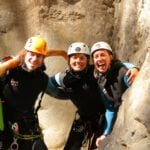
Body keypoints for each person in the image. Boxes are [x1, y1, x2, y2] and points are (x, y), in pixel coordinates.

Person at [0, 41, 138, 150]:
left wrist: (133, 67)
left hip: (103, 119)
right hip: (83, 119)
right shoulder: (63, 78)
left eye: (82, 58)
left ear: (88, 60)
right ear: (69, 61)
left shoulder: (95, 72)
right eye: (74, 58)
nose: (78, 61)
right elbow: (39, 66)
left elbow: (114, 65)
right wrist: (17, 61)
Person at [0, 36, 67, 150]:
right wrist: (14, 62)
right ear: (24, 54)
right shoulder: (10, 70)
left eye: (39, 56)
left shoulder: (41, 78)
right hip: (3, 122)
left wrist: (62, 53)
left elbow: (58, 93)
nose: (35, 59)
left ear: (43, 59)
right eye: (31, 54)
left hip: (27, 124)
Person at [90, 41, 139, 147]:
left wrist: (134, 68)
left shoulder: (123, 71)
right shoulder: (99, 79)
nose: (99, 59)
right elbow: (110, 108)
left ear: (110, 57)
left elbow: (137, 97)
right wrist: (106, 133)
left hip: (132, 119)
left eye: (103, 55)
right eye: (96, 56)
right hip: (120, 120)